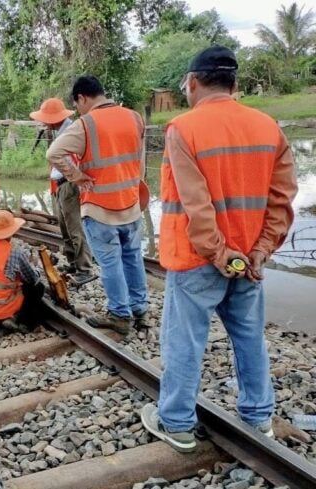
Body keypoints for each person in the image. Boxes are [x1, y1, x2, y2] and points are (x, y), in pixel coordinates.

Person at [140, 46, 297, 453]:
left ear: (193, 83)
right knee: (249, 336)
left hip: (198, 260)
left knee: (184, 340)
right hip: (250, 256)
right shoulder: (269, 128)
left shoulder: (183, 129)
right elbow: (281, 199)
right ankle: (259, 417)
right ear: (235, 84)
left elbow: (196, 202)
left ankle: (175, 423)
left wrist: (216, 251)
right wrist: (262, 249)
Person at [47, 75, 148, 335]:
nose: (79, 109)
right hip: (131, 203)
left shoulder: (87, 123)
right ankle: (139, 308)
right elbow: (140, 160)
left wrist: (77, 176)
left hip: (100, 207)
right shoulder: (135, 117)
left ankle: (119, 314)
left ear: (82, 98)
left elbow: (54, 153)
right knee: (133, 257)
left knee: (111, 262)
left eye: (78, 104)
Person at [31, 98, 96, 285]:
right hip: (61, 184)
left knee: (74, 227)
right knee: (65, 227)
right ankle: (73, 262)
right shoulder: (60, 131)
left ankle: (85, 267)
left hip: (69, 183)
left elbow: (72, 161)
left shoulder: (69, 131)